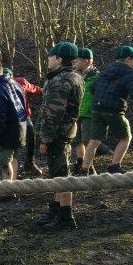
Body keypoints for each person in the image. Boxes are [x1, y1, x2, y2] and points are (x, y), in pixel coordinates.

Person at [78, 45, 133, 175]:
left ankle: (84, 169)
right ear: (128, 59)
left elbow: (94, 88)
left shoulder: (106, 70)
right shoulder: (129, 73)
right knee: (126, 137)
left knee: (94, 140)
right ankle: (114, 165)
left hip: (96, 109)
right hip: (113, 109)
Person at [35, 42, 84, 229]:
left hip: (57, 134)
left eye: (50, 56)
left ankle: (65, 216)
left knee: (61, 174)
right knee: (57, 172)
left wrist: (45, 139)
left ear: (59, 59)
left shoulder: (60, 81)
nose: (47, 59)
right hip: (66, 131)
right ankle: (56, 208)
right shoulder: (75, 77)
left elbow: (53, 114)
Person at [0, 57, 28, 181]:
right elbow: (23, 107)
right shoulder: (16, 84)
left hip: (7, 133)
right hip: (21, 129)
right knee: (14, 158)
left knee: (5, 161)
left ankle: (7, 187)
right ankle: (13, 184)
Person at [4, 67, 43, 176]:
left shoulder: (21, 82)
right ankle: (12, 167)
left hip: (24, 116)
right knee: (13, 142)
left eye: (9, 77)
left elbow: (34, 88)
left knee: (31, 135)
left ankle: (30, 163)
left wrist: (45, 90)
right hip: (10, 120)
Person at [72, 48, 100, 172]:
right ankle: (80, 161)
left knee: (87, 140)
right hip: (76, 111)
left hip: (89, 112)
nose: (74, 63)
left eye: (77, 61)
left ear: (86, 61)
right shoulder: (74, 76)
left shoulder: (96, 76)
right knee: (76, 139)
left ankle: (89, 165)